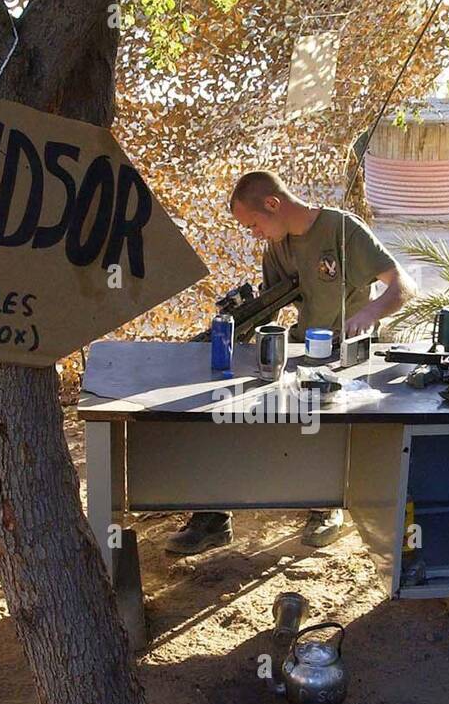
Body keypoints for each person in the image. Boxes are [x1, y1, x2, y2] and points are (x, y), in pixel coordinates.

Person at [166, 170, 416, 555]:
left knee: (321, 424)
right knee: (225, 408)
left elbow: (403, 286)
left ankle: (326, 506)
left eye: (254, 224)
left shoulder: (342, 230)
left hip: (344, 358)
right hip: (299, 351)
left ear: (273, 204)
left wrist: (371, 315)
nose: (255, 234)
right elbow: (269, 308)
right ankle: (214, 515)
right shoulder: (278, 247)